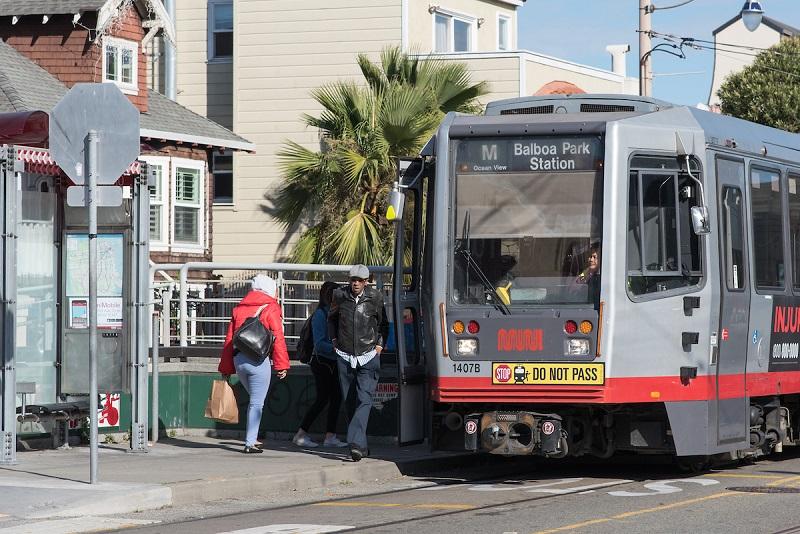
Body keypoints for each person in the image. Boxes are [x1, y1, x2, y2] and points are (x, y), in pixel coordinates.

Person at [219, 274, 290, 454]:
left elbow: (229, 340)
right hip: (258, 360)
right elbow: (278, 338)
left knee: (255, 400)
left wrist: (227, 368)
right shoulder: (271, 308)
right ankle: (250, 442)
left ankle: (253, 437)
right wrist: (281, 365)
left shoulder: (239, 308)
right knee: (257, 403)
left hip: (239, 359)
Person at [328, 264, 389, 462]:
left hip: (368, 355)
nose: (355, 283)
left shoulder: (375, 297)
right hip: (345, 356)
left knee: (364, 399)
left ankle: (353, 442)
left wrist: (379, 346)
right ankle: (360, 446)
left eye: (360, 280)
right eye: (353, 279)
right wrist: (334, 342)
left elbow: (383, 324)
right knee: (350, 401)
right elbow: (332, 320)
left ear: (366, 282)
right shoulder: (339, 295)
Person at [293, 281, 348, 448]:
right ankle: (301, 433)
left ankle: (330, 436)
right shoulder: (320, 315)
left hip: (333, 361)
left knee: (336, 398)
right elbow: (319, 344)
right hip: (323, 362)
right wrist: (338, 348)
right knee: (323, 399)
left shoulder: (335, 314)